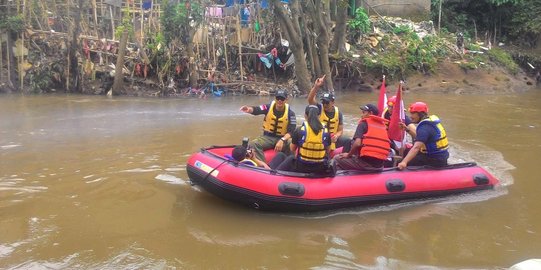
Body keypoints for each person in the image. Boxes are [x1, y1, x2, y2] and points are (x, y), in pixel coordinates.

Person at [239, 89, 296, 162]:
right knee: (254, 144)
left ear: (286, 99)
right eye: (278, 98)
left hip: (282, 138)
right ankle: (262, 166)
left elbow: (292, 131)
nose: (280, 100)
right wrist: (249, 109)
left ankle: (290, 164)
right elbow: (257, 109)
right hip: (267, 137)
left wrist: (282, 140)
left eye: (282, 98)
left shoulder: (291, 114)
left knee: (291, 143)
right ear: (275, 98)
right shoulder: (267, 107)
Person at [334, 104, 391, 171]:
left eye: (364, 112)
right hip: (379, 165)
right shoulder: (383, 126)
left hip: (365, 163)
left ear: (370, 113)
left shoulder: (363, 124)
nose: (362, 115)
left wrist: (348, 155)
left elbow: (357, 143)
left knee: (336, 158)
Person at [276, 105, 331, 173]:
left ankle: (272, 174)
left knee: (283, 155)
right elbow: (328, 150)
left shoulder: (299, 130)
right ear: (319, 116)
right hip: (320, 168)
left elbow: (292, 149)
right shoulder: (326, 132)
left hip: (301, 167)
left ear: (305, 115)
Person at [397, 102, 449, 170]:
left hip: (434, 160)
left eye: (413, 114)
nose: (411, 116)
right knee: (406, 151)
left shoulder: (424, 127)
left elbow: (416, 147)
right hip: (439, 157)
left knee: (399, 161)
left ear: (420, 114)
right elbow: (420, 138)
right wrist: (407, 129)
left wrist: (404, 162)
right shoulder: (430, 122)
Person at [307, 75, 351, 153]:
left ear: (333, 102)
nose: (325, 104)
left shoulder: (338, 113)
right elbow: (310, 100)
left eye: (327, 102)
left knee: (348, 141)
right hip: (319, 137)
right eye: (323, 102)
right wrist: (316, 87)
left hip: (332, 138)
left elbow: (340, 130)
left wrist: (336, 136)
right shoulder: (319, 108)